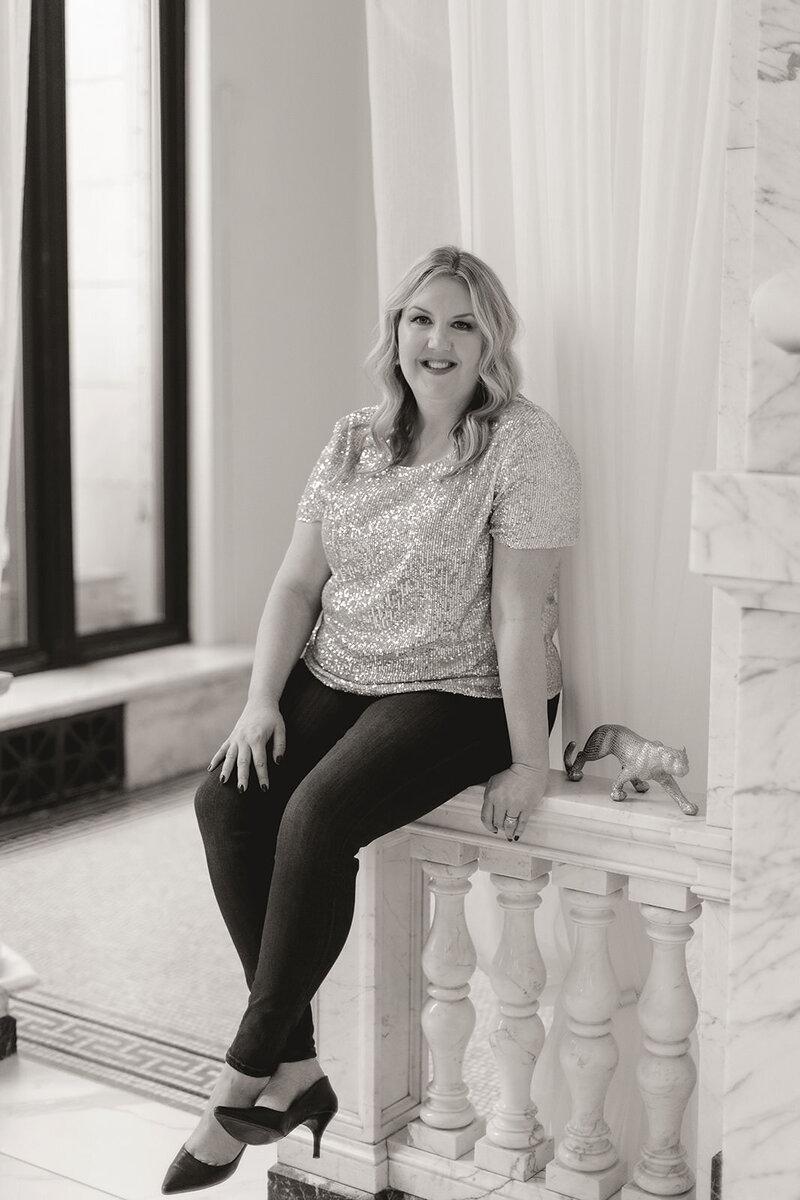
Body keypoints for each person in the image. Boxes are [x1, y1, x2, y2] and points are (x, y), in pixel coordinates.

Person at [161, 245, 580, 1193]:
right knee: (228, 803)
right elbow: (297, 582)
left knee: (315, 817)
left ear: (491, 344)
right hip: (342, 667)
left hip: (462, 687)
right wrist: (261, 700)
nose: (437, 340)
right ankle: (299, 1069)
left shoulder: (525, 443)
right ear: (395, 330)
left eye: (463, 323)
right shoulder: (355, 437)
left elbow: (521, 616)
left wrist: (530, 758)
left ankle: (244, 1068)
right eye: (421, 318)